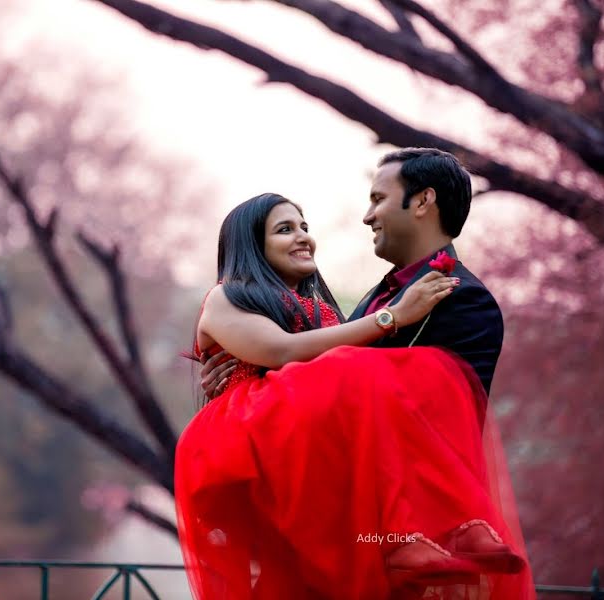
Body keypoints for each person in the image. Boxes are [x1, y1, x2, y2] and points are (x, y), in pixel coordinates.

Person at [176, 189, 534, 598]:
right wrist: (393, 317)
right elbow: (282, 351)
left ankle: (436, 532)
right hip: (248, 439)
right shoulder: (225, 297)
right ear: (252, 246)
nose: (303, 237)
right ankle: (412, 536)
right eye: (285, 229)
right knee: (361, 369)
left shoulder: (323, 312)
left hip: (304, 443)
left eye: (305, 227)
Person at [201, 148, 502, 399]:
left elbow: (425, 410)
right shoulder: (376, 299)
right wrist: (245, 384)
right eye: (285, 230)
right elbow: (297, 357)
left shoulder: (465, 299)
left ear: (423, 201)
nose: (367, 217)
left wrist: (261, 384)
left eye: (378, 199)